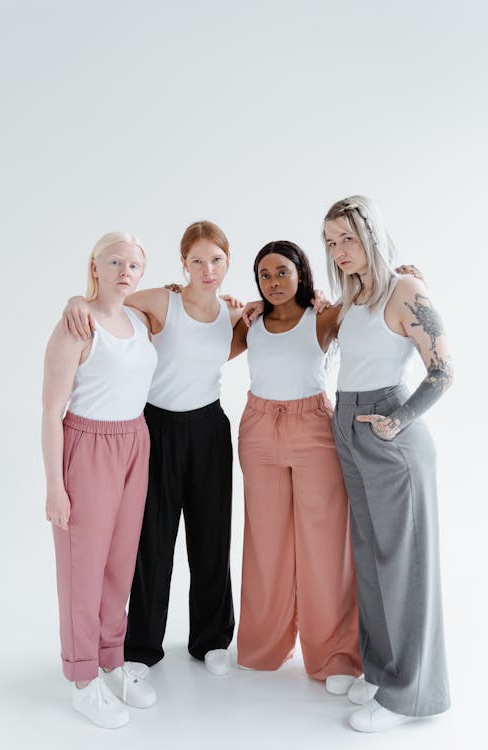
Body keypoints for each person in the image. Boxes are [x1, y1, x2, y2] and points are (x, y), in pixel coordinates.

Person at [62, 221, 242, 677]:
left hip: (209, 428)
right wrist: (73, 301)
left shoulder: (233, 313)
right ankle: (140, 646)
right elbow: (106, 303)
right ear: (183, 263)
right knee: (151, 542)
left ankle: (212, 639)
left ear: (227, 263)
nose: (207, 269)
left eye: (216, 260)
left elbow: (231, 348)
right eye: (197, 260)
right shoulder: (163, 301)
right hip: (157, 427)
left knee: (211, 536)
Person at [323, 195, 452, 732]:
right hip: (349, 427)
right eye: (330, 242)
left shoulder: (406, 290)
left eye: (348, 238)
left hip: (387, 429)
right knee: (371, 558)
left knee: (405, 564)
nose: (339, 251)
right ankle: (380, 670)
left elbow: (443, 370)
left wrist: (397, 422)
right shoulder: (353, 295)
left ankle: (409, 696)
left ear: (371, 234)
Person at [229, 241, 361, 692]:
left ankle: (334, 656)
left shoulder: (322, 317)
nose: (274, 282)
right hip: (259, 429)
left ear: (301, 273)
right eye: (265, 275)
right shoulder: (250, 323)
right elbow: (201, 345)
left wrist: (404, 274)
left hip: (313, 430)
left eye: (282, 272)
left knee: (324, 543)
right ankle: (264, 645)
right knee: (266, 541)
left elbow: (368, 307)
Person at [42, 232, 158, 728]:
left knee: (119, 563)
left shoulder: (139, 318)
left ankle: (112, 659)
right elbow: (50, 411)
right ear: (95, 265)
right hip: (87, 446)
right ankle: (82, 678)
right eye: (113, 261)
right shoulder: (76, 325)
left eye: (133, 264)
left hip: (136, 439)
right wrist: (54, 487)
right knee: (82, 569)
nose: (124, 271)